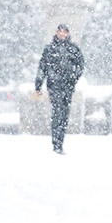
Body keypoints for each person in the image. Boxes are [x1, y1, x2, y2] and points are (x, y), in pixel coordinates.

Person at [33, 24, 84, 154]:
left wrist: (73, 78)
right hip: (54, 86)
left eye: (64, 32)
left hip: (67, 87)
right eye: (60, 31)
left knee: (64, 115)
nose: (62, 34)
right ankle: (56, 143)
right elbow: (42, 68)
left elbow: (80, 66)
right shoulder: (50, 49)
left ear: (67, 33)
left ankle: (60, 141)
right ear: (56, 33)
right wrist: (38, 85)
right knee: (57, 113)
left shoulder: (73, 49)